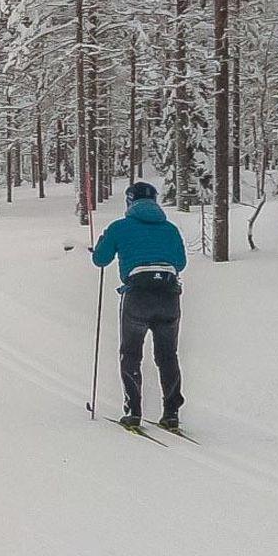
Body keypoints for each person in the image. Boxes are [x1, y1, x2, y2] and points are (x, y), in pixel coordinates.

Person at [90, 180, 188, 430]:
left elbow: (100, 260)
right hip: (168, 295)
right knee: (167, 355)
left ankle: (133, 410)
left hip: (137, 295)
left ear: (130, 202)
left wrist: (103, 242)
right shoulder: (170, 229)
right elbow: (180, 262)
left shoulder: (120, 227)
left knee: (131, 354)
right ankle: (171, 412)